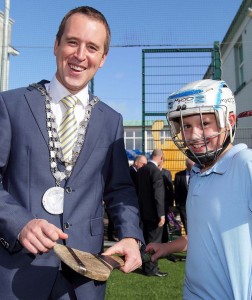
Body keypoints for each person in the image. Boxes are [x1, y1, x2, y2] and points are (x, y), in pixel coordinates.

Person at [0, 6, 144, 300]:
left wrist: (130, 235)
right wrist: (19, 222)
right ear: (56, 45)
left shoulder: (111, 120)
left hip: (83, 278)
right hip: (17, 270)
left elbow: (120, 188)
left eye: (92, 47)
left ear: (103, 59)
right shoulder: (11, 106)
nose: (80, 55)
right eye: (72, 42)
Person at [146, 79, 252, 299]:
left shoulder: (245, 164)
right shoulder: (197, 174)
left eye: (205, 123)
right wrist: (168, 247)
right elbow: (204, 236)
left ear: (229, 121)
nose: (193, 135)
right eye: (185, 126)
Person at [137, 149, 167, 277]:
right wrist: (161, 214)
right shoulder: (155, 171)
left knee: (145, 241)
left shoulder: (141, 170)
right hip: (154, 214)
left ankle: (146, 266)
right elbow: (158, 194)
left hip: (142, 212)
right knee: (154, 242)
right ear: (161, 158)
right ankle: (151, 269)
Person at [174, 158, 194, 233]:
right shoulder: (179, 175)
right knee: (187, 227)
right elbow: (176, 191)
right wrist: (178, 204)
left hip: (196, 206)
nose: (192, 168)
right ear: (186, 165)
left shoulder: (198, 174)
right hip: (183, 207)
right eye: (190, 166)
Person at [158, 159, 174, 243]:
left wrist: (171, 204)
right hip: (155, 202)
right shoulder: (152, 170)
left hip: (165, 203)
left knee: (164, 223)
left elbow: (170, 188)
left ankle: (164, 242)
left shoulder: (166, 173)